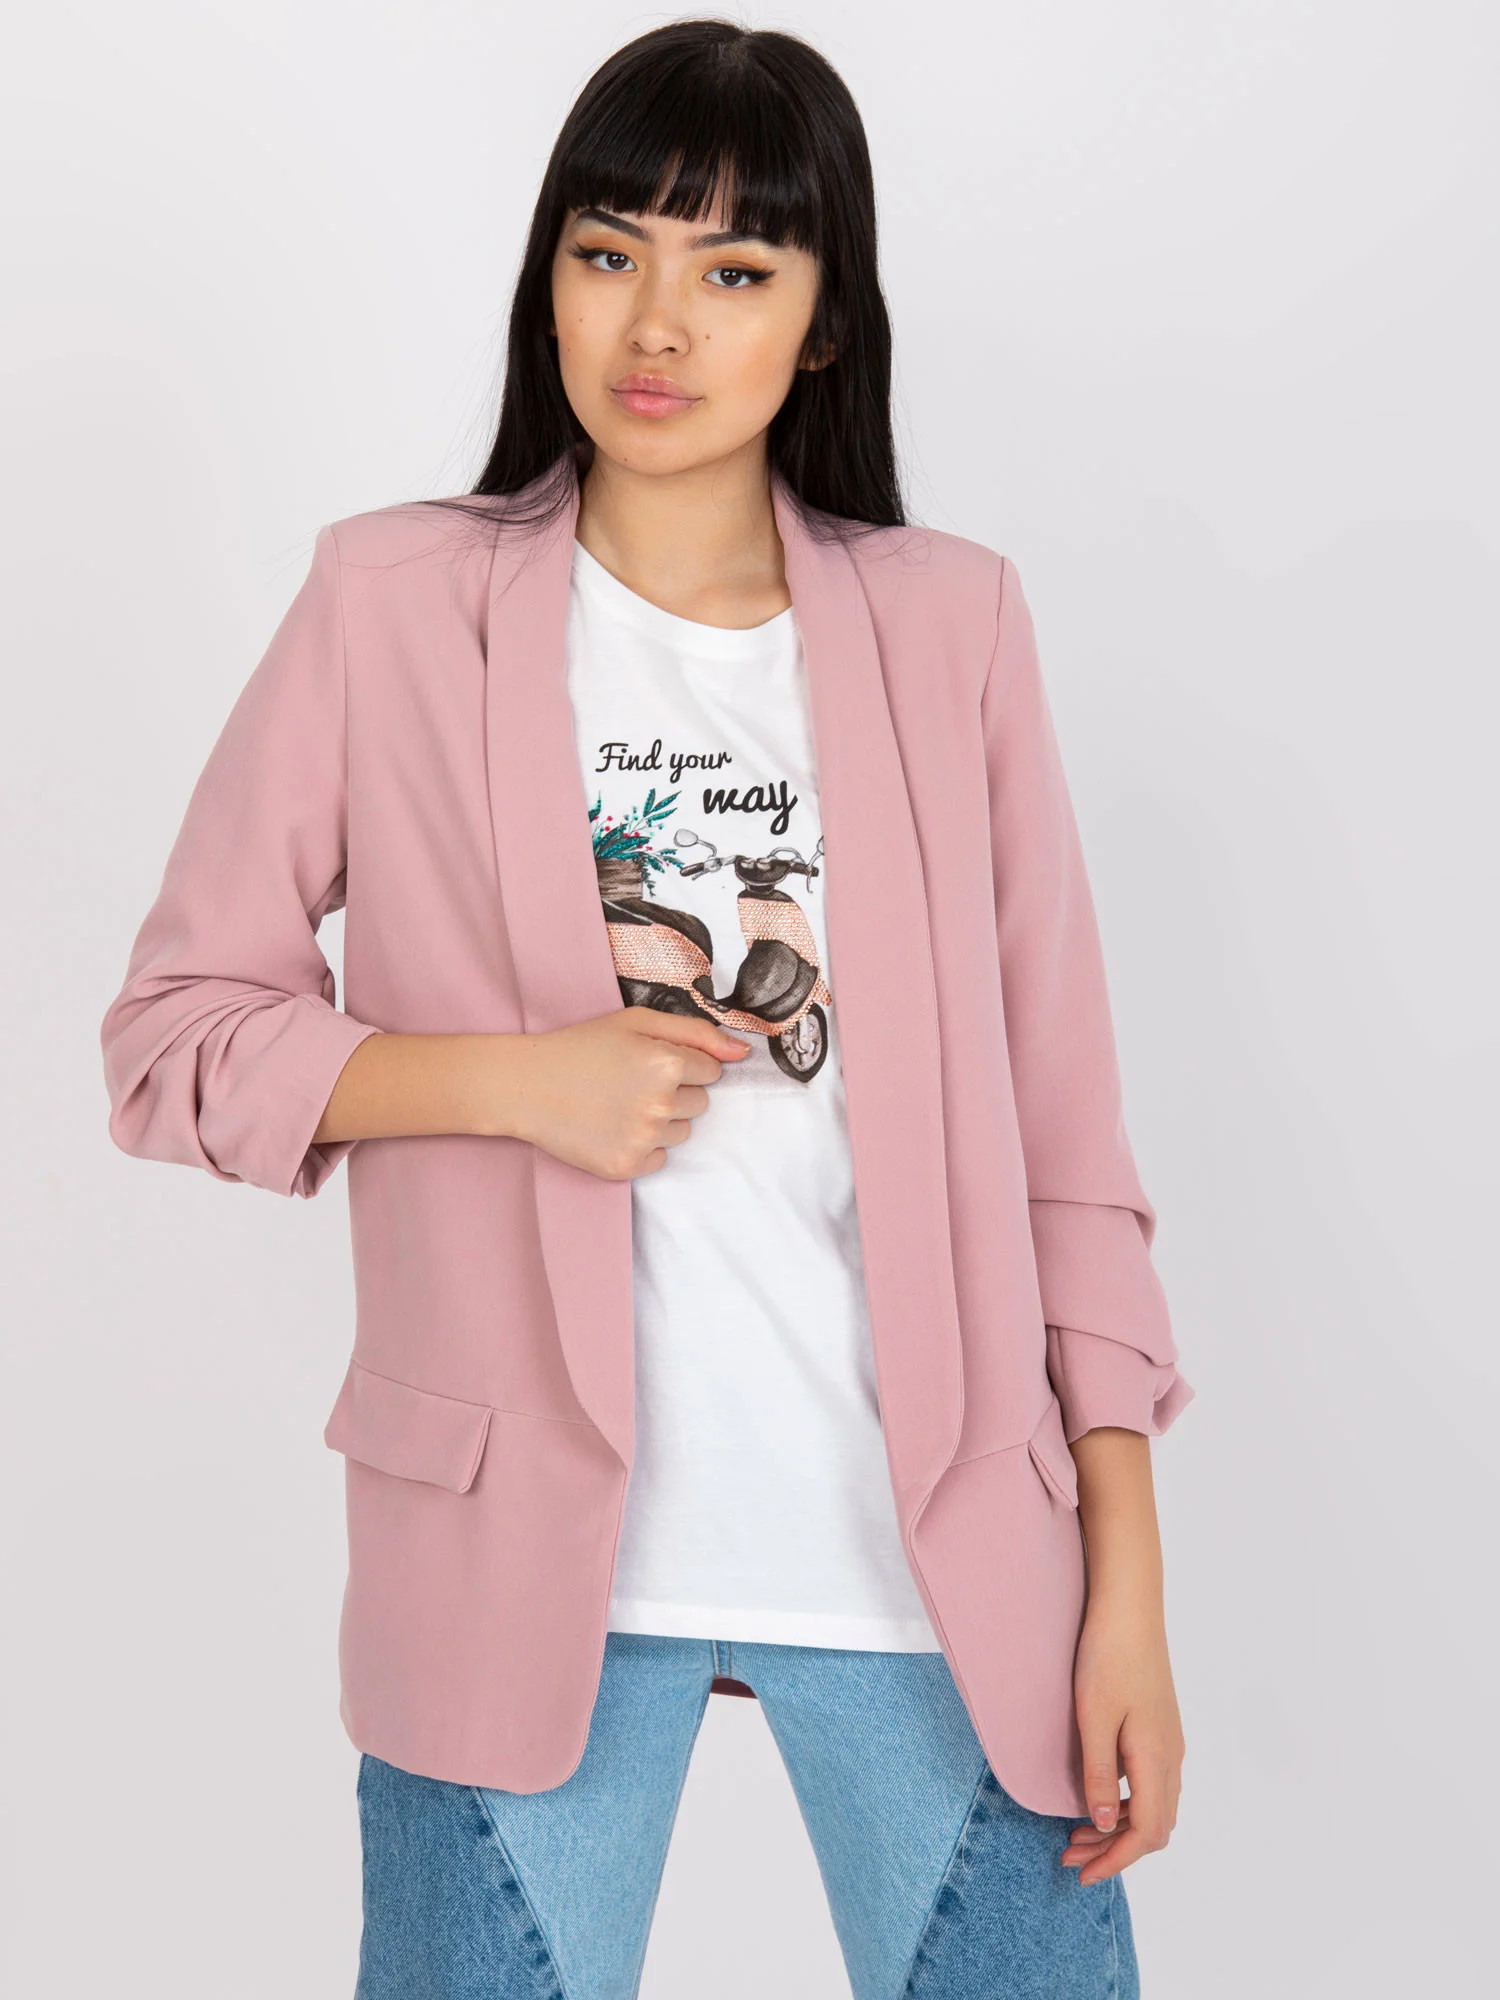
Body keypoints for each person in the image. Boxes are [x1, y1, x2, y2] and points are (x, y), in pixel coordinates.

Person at [100, 20, 1193, 1999]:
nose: (658, 324)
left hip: (939, 1564)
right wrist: (515, 1082)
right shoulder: (389, 605)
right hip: (512, 1565)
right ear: (551, 278)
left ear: (827, 322)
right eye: (609, 253)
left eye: (735, 270)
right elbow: (174, 1037)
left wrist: (1130, 1586)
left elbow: (1068, 1145)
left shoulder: (954, 625)